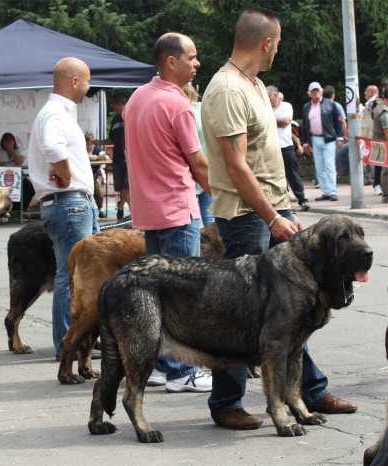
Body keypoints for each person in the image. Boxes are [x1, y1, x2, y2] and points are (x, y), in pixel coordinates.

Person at [201, 7, 357, 431]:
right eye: (279, 42)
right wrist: (273, 217)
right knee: (241, 311)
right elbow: (235, 165)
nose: (278, 49)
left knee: (296, 305)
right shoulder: (228, 89)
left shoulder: (250, 84)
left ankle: (309, 390)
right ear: (267, 42)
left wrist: (281, 210)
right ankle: (226, 402)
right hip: (250, 217)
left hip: (271, 209)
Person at [123, 33, 212, 393]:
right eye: (191, 57)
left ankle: (161, 365)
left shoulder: (137, 98)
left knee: (157, 295)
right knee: (183, 295)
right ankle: (180, 370)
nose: (197, 63)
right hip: (177, 210)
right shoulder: (177, 104)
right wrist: (223, 196)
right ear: (171, 62)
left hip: (150, 212)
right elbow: (199, 163)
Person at [27, 57, 99, 361]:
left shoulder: (56, 112)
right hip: (70, 203)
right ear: (74, 82)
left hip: (71, 203)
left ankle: (75, 344)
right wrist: (66, 174)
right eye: (87, 81)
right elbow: (53, 148)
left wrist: (65, 171)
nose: (88, 86)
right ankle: (68, 347)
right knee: (71, 277)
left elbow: (54, 150)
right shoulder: (56, 114)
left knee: (79, 276)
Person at [267, 86, 309, 211]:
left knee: (292, 174)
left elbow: (286, 121)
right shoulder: (264, 107)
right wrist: (275, 122)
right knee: (275, 176)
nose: (266, 98)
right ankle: (283, 202)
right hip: (270, 147)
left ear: (275, 95)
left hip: (285, 146)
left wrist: (269, 121)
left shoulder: (286, 106)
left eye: (268, 95)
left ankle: (302, 199)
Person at [300, 82, 344, 201]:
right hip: (314, 139)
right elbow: (304, 126)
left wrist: (339, 137)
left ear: (321, 91)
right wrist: (305, 143)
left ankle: (332, 191)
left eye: (317, 90)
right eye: (313, 91)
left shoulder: (330, 104)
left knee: (329, 165)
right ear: (309, 93)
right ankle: (326, 191)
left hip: (328, 138)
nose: (316, 92)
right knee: (319, 167)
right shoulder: (306, 107)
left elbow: (337, 121)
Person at [93, 94, 129, 220]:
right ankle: (131, 218)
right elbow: (112, 139)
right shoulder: (114, 120)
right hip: (118, 159)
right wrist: (100, 143)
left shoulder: (132, 116)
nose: (111, 106)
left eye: (112, 104)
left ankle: (120, 207)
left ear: (120, 103)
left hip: (131, 160)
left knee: (127, 188)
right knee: (121, 189)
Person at [185, 84, 214, 225]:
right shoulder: (205, 109)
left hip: (191, 168)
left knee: (189, 217)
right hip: (210, 167)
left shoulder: (185, 112)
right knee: (210, 217)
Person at [0, 132, 35, 211]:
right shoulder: (0, 151)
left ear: (14, 142)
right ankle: (9, 210)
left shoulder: (19, 150)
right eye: (5, 141)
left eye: (10, 141)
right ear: (2, 142)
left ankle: (20, 210)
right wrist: (0, 163)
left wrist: (11, 150)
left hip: (19, 177)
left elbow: (19, 162)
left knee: (30, 188)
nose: (7, 143)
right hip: (3, 179)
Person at [85, 133, 106, 218]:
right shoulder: (81, 149)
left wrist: (102, 156)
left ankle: (101, 208)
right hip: (85, 174)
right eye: (88, 144)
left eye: (91, 144)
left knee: (97, 182)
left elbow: (103, 157)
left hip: (96, 173)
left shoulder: (98, 149)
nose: (90, 146)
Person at [373, 87, 388, 203]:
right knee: (386, 171)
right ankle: (386, 196)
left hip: (380, 143)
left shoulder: (380, 107)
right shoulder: (384, 111)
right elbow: (386, 131)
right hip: (385, 143)